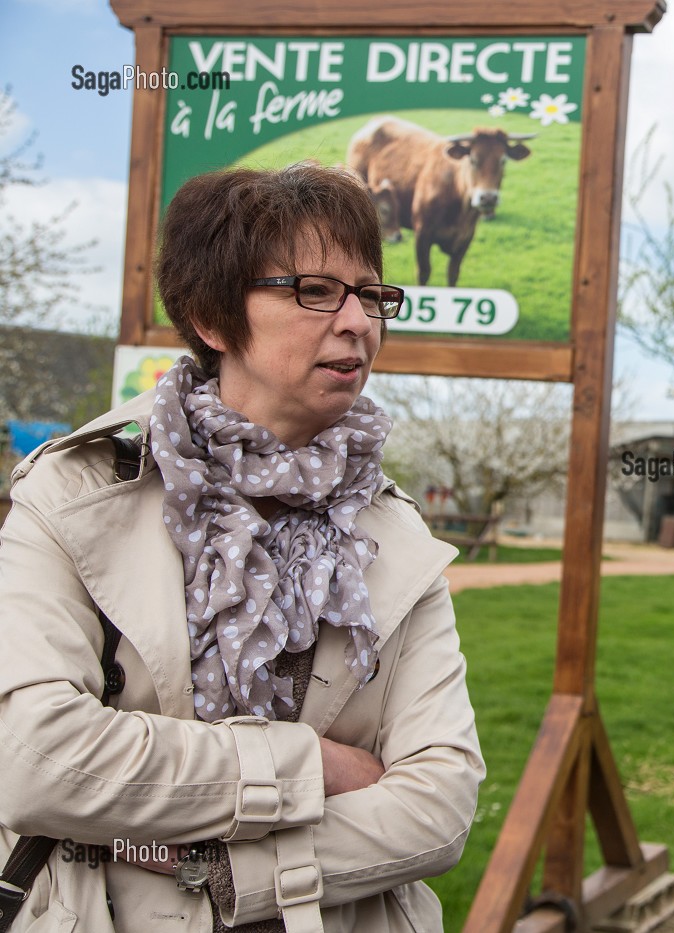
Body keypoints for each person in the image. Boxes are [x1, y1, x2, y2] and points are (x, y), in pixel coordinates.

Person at [0, 163, 485, 932]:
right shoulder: (72, 497)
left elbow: (439, 803)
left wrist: (219, 870)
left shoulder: (398, 535)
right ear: (212, 318)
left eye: (372, 293)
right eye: (315, 291)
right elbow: (41, 761)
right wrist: (309, 766)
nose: (358, 320)